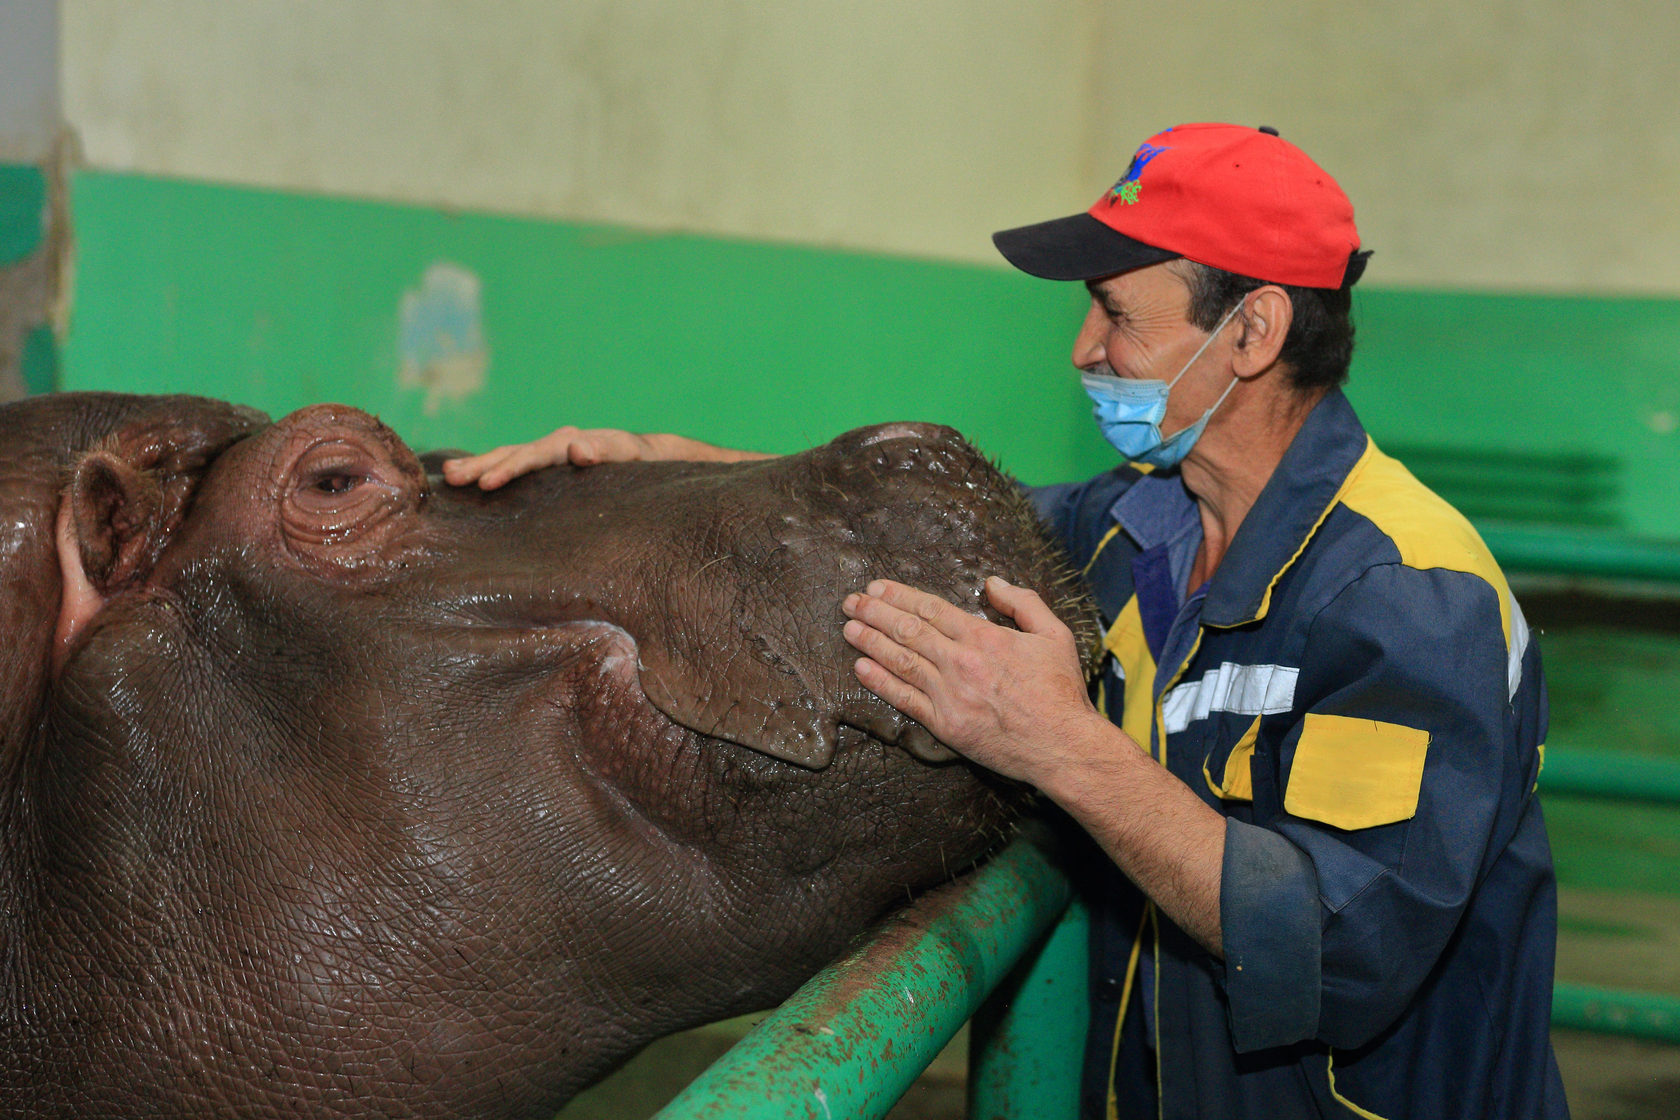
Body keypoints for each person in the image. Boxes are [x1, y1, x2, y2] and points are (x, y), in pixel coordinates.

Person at [444, 123, 1568, 1119]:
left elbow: (1341, 946)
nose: (1084, 348)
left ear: (1254, 330)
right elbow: (910, 529)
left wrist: (1058, 743)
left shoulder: (1410, 597)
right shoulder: (1140, 523)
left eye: (1120, 314)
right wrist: (650, 469)